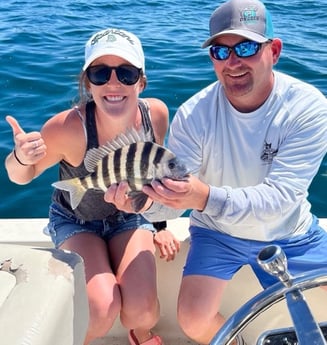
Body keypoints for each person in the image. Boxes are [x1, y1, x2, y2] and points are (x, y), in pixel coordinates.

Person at [104, 1, 327, 344]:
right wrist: (143, 205)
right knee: (194, 320)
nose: (233, 62)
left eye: (247, 47)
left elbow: (280, 200)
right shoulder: (194, 114)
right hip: (217, 233)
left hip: (290, 231)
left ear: (275, 50)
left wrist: (203, 196)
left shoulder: (308, 108)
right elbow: (175, 201)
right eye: (220, 52)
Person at [5, 27, 181, 345]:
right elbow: (22, 176)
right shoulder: (67, 128)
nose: (114, 83)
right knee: (100, 309)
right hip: (77, 220)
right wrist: (18, 157)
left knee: (143, 311)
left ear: (141, 80)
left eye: (126, 73)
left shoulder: (156, 114)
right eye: (100, 73)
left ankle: (140, 335)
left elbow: (153, 172)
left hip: (129, 216)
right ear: (88, 82)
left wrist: (161, 223)